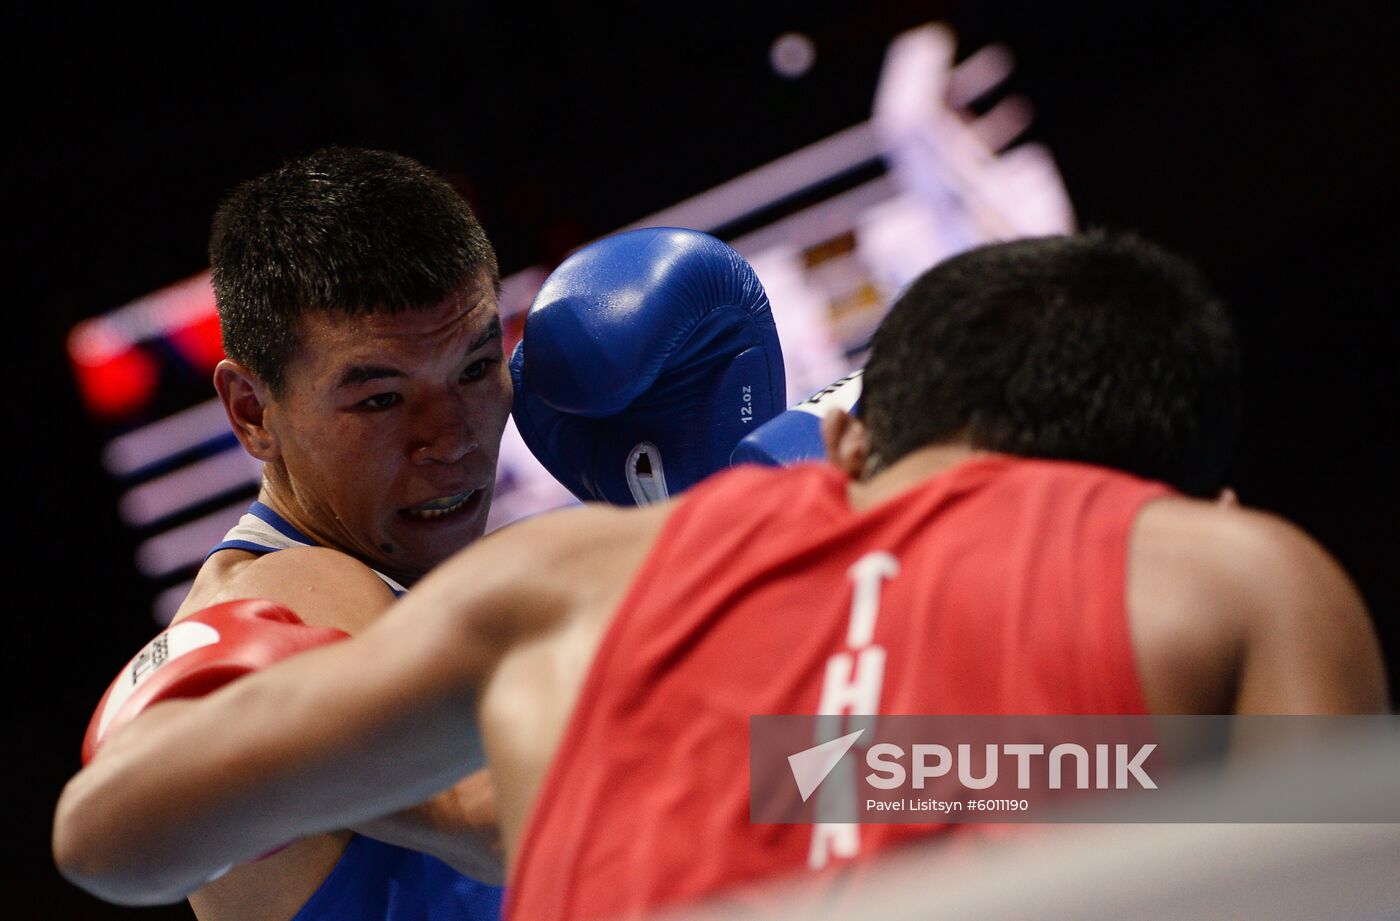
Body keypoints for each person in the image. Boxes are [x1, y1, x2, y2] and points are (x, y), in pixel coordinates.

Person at [54, 233, 1389, 919]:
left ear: (857, 440)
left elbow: (106, 833)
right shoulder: (1231, 570)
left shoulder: (574, 581)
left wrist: (346, 767)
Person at [61, 146, 786, 921]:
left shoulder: (476, 580)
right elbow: (521, 816)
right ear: (251, 411)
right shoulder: (292, 590)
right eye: (380, 400)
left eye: (475, 369)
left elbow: (749, 788)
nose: (451, 439)